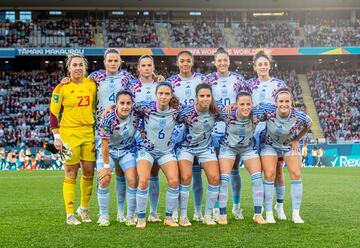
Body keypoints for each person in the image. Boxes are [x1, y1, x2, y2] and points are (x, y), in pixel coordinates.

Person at [50, 53, 96, 225]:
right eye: (74, 65)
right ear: (68, 68)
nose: (78, 68)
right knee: (71, 173)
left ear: (85, 67)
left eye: (80, 65)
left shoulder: (92, 85)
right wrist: (57, 137)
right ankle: (70, 214)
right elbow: (53, 115)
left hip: (88, 133)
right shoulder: (61, 88)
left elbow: (94, 106)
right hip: (69, 134)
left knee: (89, 173)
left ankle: (84, 209)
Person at [254, 88, 312, 224]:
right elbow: (250, 112)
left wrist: (297, 139)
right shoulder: (268, 111)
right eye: (281, 101)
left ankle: (295, 213)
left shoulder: (298, 115)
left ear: (291, 103)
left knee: (296, 173)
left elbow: (309, 124)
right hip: (269, 145)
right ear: (276, 102)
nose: (284, 104)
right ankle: (268, 213)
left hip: (287, 145)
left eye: (287, 101)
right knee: (269, 174)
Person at [246, 50, 288, 220]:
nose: (263, 67)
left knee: (277, 169)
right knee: (259, 170)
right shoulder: (247, 85)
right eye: (260, 64)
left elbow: (287, 107)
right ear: (254, 67)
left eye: (265, 64)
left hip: (274, 131)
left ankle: (279, 206)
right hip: (253, 131)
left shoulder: (279, 84)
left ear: (270, 66)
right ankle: (262, 206)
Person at [167, 50, 208, 222]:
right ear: (177, 63)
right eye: (182, 61)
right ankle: (175, 211)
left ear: (192, 62)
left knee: (196, 173)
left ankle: (197, 211)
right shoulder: (171, 82)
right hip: (175, 131)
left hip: (197, 131)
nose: (185, 63)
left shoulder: (201, 80)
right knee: (178, 174)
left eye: (188, 61)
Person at [134, 82, 180, 229]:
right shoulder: (145, 107)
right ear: (156, 94)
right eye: (161, 93)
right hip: (146, 150)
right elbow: (125, 105)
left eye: (167, 94)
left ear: (171, 95)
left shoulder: (177, 111)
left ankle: (168, 217)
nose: (163, 96)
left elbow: (198, 111)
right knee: (144, 180)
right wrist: (111, 107)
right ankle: (141, 217)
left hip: (165, 151)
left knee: (173, 181)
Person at [207, 47, 246, 221]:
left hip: (234, 129)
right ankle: (215, 208)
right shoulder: (207, 80)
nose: (222, 63)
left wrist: (236, 106)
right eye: (219, 60)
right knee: (215, 171)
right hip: (213, 129)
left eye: (225, 60)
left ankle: (236, 207)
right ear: (214, 62)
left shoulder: (238, 79)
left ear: (229, 61)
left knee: (235, 168)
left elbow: (246, 100)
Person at [177, 83, 224, 226]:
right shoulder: (186, 112)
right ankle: (183, 216)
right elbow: (170, 119)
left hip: (205, 147)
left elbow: (234, 111)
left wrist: (233, 105)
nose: (205, 99)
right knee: (185, 177)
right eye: (202, 96)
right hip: (186, 147)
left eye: (208, 96)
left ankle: (208, 215)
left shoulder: (216, 110)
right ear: (196, 97)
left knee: (215, 179)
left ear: (211, 97)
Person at [217, 91, 267, 225]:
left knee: (257, 178)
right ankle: (222, 214)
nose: (245, 107)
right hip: (228, 149)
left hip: (248, 149)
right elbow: (211, 107)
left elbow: (273, 109)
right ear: (236, 105)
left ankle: (257, 214)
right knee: (224, 179)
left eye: (248, 104)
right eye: (242, 104)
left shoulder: (257, 114)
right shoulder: (227, 114)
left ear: (252, 104)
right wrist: (227, 105)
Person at [127, 55, 163, 222]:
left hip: (156, 136)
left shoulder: (160, 85)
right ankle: (133, 212)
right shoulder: (132, 87)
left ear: (153, 67)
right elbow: (126, 107)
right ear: (138, 68)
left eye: (150, 65)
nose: (147, 68)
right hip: (135, 135)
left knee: (155, 172)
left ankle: (153, 212)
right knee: (136, 176)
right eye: (144, 65)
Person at [97, 90, 139, 226]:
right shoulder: (108, 118)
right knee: (104, 179)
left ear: (132, 104)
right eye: (122, 103)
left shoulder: (136, 113)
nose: (125, 106)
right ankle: (103, 216)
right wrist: (107, 167)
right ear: (116, 104)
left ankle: (129, 216)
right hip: (108, 150)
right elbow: (104, 144)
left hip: (127, 150)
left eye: (128, 103)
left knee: (133, 180)